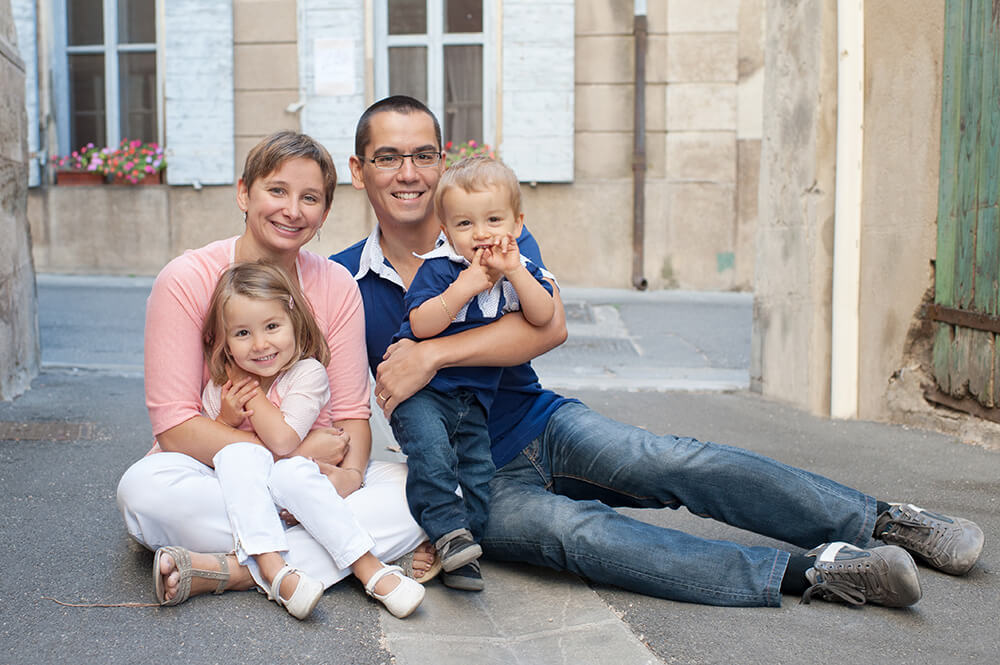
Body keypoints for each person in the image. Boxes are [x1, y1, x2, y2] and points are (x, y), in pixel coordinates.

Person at [332, 95, 985, 609]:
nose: (409, 172)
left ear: (442, 164)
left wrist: (430, 356)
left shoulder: (487, 227)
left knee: (671, 459)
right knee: (581, 535)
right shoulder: (340, 281)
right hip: (472, 477)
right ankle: (820, 570)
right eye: (388, 157)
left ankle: (888, 521)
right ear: (359, 171)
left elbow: (546, 329)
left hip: (541, 421)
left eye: (423, 154)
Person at [116, 130, 438, 619]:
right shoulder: (186, 278)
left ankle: (236, 570)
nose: (293, 210)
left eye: (310, 198)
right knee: (143, 492)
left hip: (312, 477)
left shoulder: (335, 284)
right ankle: (340, 551)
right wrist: (293, 451)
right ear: (244, 193)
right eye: (277, 191)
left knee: (426, 489)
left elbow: (352, 412)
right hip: (214, 472)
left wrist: (348, 476)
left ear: (325, 213)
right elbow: (176, 424)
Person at [195, 260, 424, 618]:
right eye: (242, 334)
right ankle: (275, 571)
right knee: (236, 457)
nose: (260, 344)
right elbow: (208, 452)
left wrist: (253, 397)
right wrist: (225, 419)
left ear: (294, 323)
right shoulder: (220, 389)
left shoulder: (306, 373)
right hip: (247, 499)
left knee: (294, 473)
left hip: (300, 492)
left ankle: (368, 568)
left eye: (272, 326)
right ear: (224, 343)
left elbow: (284, 440)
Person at [389, 156, 555, 591]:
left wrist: (516, 272)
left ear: (517, 225)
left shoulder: (518, 270)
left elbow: (544, 317)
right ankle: (445, 533)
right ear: (445, 231)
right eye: (464, 225)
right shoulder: (441, 268)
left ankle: (464, 549)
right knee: (433, 459)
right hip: (423, 394)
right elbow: (422, 325)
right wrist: (465, 286)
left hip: (475, 402)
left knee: (478, 474)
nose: (481, 234)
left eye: (494, 220)